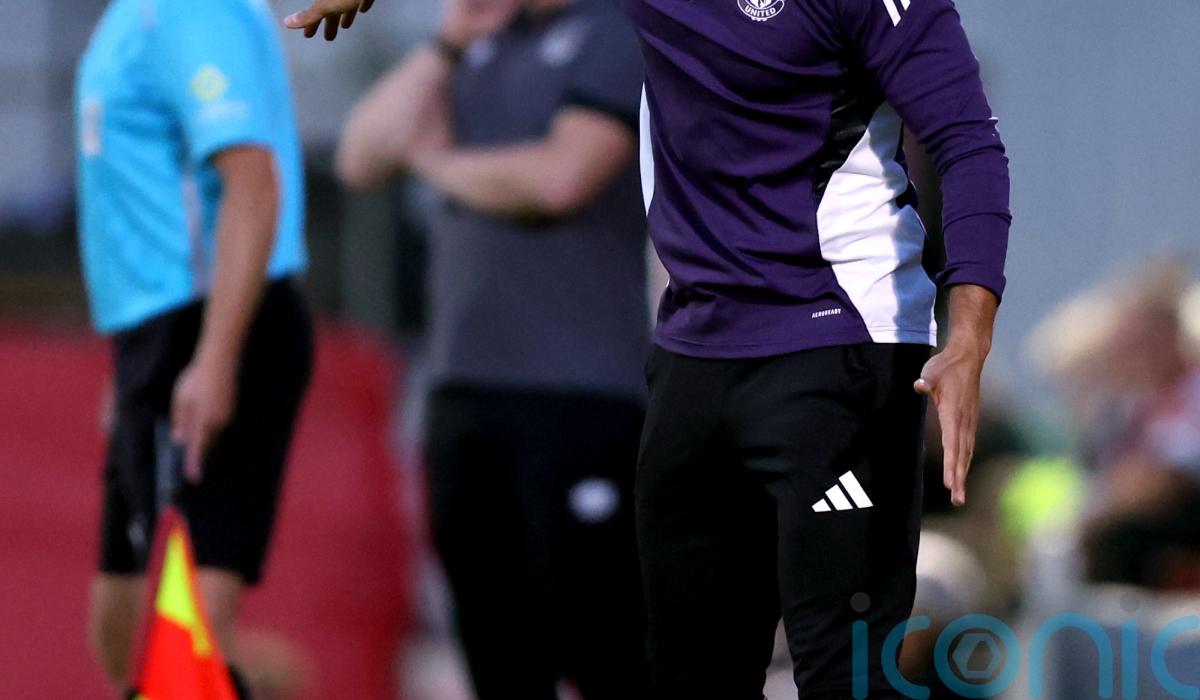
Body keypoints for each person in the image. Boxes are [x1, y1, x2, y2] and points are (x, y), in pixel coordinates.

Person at [625, 0, 1010, 697]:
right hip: (692, 353)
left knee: (847, 676)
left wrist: (967, 338)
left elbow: (967, 140)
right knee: (687, 676)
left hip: (841, 342)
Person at [335, 1, 651, 698]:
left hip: (581, 396)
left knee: (608, 650)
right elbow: (360, 156)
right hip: (462, 390)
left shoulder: (616, 30)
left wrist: (433, 163)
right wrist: (446, 44)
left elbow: (560, 179)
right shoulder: (475, 41)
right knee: (496, 653)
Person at [76, 0, 312, 696]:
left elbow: (253, 181)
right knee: (123, 599)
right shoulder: (133, 16)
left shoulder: (193, 10)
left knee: (192, 628)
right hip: (157, 332)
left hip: (215, 319)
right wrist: (133, 357)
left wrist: (214, 358)